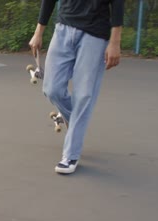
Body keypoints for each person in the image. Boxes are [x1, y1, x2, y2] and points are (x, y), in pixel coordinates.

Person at [29, 0, 124, 174]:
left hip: (95, 35)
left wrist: (115, 41)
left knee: (83, 95)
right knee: (51, 88)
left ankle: (71, 154)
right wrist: (39, 32)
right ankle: (73, 123)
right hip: (63, 28)